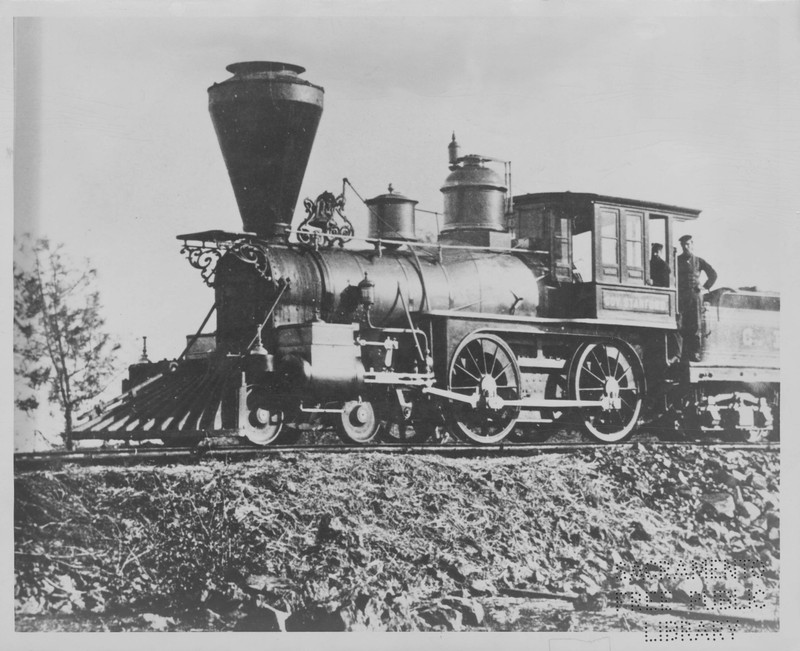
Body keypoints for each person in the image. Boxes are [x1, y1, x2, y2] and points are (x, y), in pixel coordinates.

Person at [677, 234, 717, 362]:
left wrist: (705, 287)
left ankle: (694, 352)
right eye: (683, 245)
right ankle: (682, 353)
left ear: (692, 245)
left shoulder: (699, 261)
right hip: (682, 296)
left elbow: (713, 274)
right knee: (681, 325)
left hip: (695, 297)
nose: (685, 247)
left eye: (688, 244)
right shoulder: (677, 260)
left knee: (695, 325)